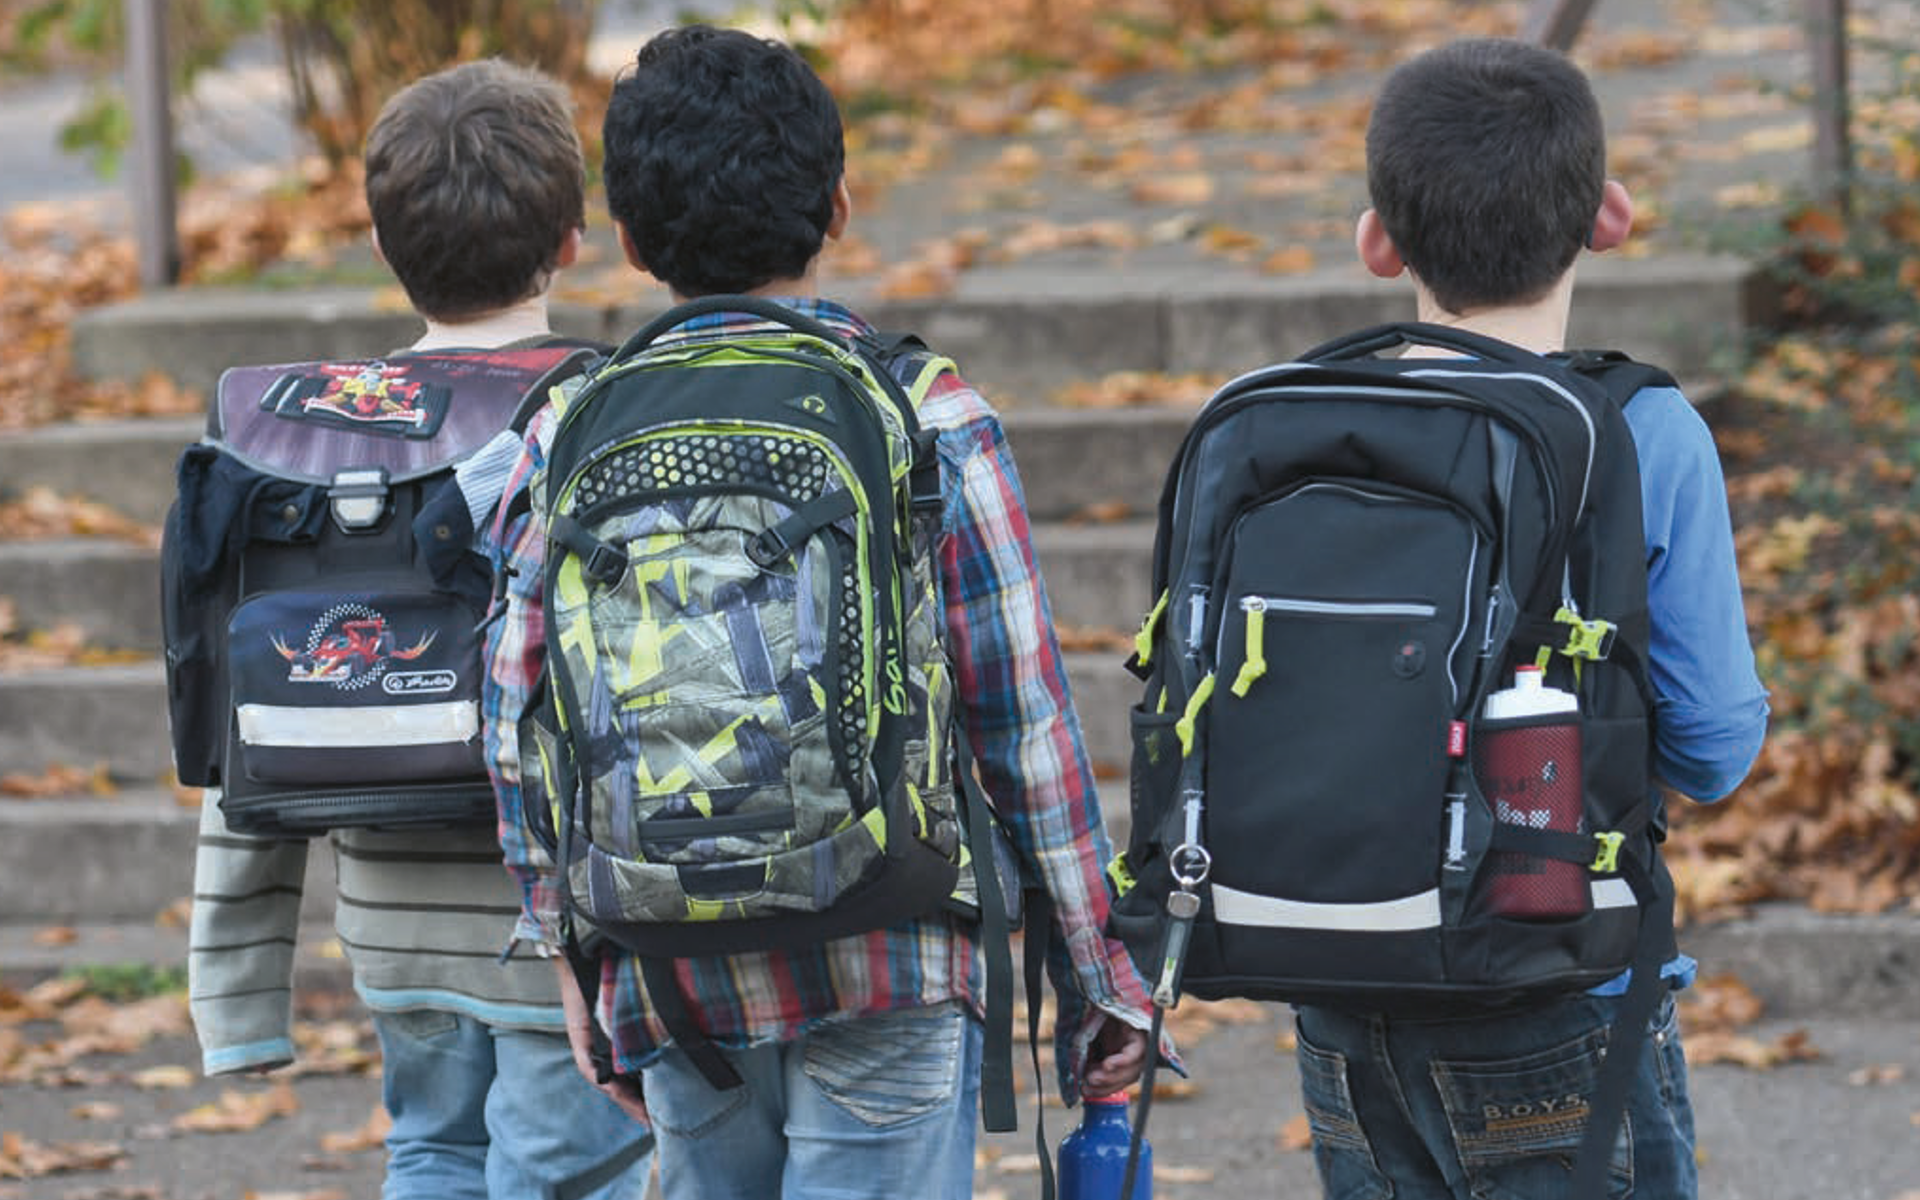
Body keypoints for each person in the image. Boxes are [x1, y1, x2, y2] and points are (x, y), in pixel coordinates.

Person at [481, 25, 1165, 1200]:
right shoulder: (923, 413)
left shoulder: (568, 426)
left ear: (629, 241)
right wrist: (1100, 972)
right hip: (889, 940)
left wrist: (569, 958)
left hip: (670, 960)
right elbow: (1024, 720)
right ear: (838, 206)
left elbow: (516, 719)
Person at [1287, 37, 1770, 1200]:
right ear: (1609, 217)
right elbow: (1714, 745)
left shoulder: (1300, 426)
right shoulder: (1643, 432)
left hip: (1342, 993)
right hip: (1561, 982)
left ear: (1378, 241)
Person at [186, 58, 653, 1200]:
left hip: (390, 927)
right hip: (551, 929)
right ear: (574, 239)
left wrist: (235, 999)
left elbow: (237, 722)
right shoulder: (601, 411)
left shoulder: (306, 440)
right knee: (567, 1176)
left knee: (432, 1154)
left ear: (383, 247)